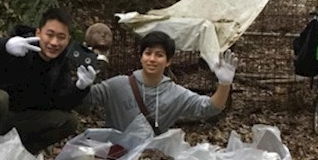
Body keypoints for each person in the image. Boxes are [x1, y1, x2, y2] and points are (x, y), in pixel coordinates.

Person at [0, 8, 95, 154]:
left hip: (18, 118)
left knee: (69, 121)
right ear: (39, 33)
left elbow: (59, 103)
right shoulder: (19, 46)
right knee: (0, 98)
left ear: (68, 40)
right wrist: (4, 46)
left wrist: (80, 88)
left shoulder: (61, 62)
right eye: (49, 35)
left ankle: (18, 156)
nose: (54, 42)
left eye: (61, 37)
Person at [83, 30, 238, 134]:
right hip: (113, 156)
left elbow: (209, 108)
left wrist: (224, 84)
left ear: (168, 61)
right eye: (148, 53)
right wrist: (83, 84)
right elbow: (84, 101)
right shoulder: (118, 86)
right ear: (141, 57)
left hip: (148, 159)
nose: (152, 59)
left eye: (159, 55)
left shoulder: (175, 94)